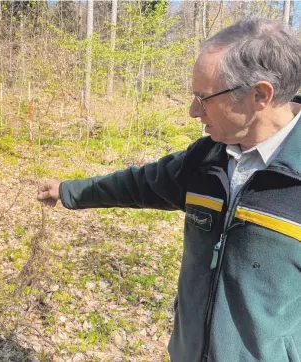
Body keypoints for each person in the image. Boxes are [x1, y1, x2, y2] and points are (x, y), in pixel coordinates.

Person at [38, 17, 301, 362]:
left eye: (203, 98)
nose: (193, 112)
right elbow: (136, 184)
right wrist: (68, 191)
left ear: (259, 95)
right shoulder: (205, 160)